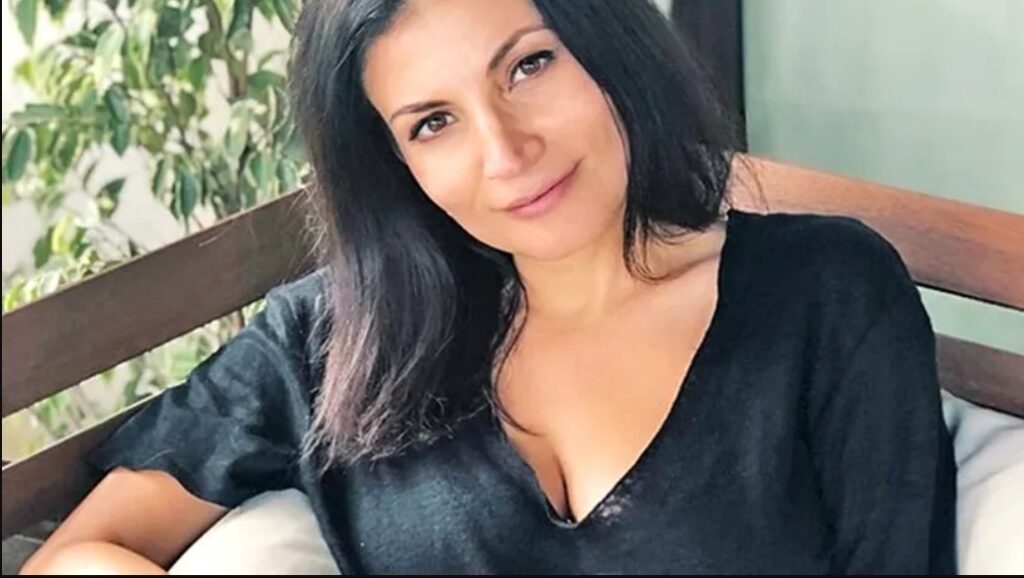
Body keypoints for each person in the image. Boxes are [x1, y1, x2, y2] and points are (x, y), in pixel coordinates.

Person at [20, 0, 957, 574]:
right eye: (433, 123)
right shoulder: (336, 341)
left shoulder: (826, 292)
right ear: (394, 165)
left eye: (530, 64)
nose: (507, 153)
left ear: (609, 45)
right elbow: (81, 554)